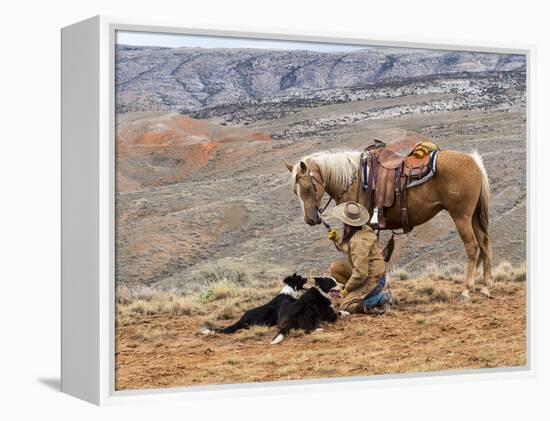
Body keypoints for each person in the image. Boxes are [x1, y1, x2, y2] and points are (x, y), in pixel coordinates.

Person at [327, 201, 393, 315]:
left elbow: (361, 273)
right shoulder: (363, 229)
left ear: (346, 223)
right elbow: (352, 251)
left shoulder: (358, 242)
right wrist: (337, 240)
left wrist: (346, 290)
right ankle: (358, 293)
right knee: (335, 268)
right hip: (371, 274)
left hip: (373, 279)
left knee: (345, 306)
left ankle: (381, 298)